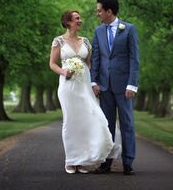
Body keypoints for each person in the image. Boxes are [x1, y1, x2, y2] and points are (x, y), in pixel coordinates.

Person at [49, 10, 120, 174]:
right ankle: (70, 161)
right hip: (67, 86)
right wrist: (64, 72)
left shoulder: (86, 42)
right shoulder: (58, 41)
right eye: (77, 18)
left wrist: (95, 84)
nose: (80, 21)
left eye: (79, 18)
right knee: (70, 121)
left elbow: (90, 65)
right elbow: (52, 63)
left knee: (90, 119)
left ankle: (81, 160)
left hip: (85, 86)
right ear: (68, 22)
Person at [91, 0, 139, 176]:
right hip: (104, 86)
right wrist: (94, 81)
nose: (97, 14)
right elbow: (96, 58)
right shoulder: (98, 31)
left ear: (109, 11)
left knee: (127, 124)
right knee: (106, 125)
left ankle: (128, 163)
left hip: (124, 86)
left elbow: (135, 59)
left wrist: (132, 85)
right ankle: (106, 163)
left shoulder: (129, 29)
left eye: (99, 10)